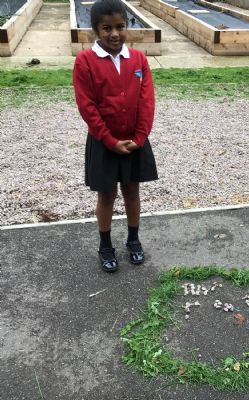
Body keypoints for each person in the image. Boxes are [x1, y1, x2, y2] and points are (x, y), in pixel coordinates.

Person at [73, 0, 158, 272]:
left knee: (132, 191)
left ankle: (133, 239)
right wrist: (109, 141)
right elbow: (87, 106)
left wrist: (140, 137)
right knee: (106, 195)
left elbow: (147, 100)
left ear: (127, 26)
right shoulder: (85, 61)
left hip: (134, 141)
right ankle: (105, 245)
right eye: (107, 28)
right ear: (96, 29)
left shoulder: (138, 59)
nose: (114, 34)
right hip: (103, 142)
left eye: (120, 27)